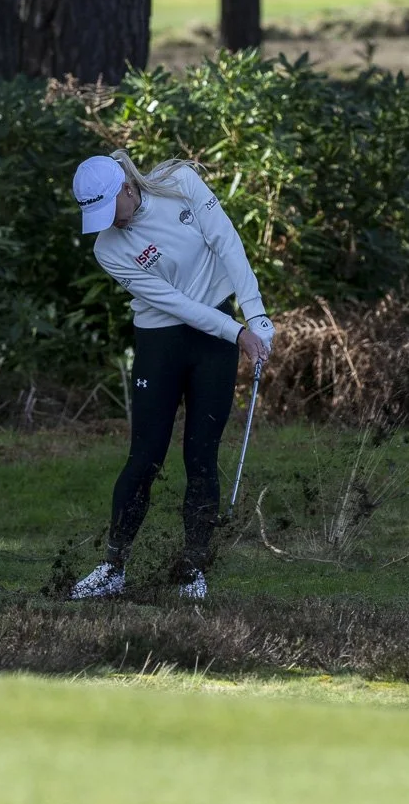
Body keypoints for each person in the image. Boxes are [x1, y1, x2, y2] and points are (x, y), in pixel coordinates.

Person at [68, 152, 274, 601]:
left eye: (110, 210)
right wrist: (237, 332)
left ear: (126, 187)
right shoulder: (108, 249)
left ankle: (192, 569)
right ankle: (113, 567)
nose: (109, 223)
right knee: (144, 458)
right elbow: (174, 304)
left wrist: (255, 314)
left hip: (214, 343)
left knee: (201, 456)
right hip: (161, 344)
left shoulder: (180, 183)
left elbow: (226, 241)